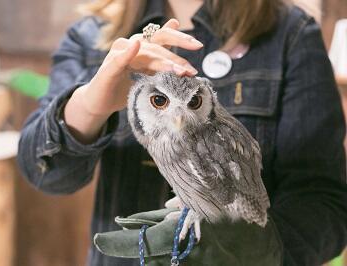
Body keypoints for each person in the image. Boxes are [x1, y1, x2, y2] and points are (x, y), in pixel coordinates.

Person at [17, 0, 347, 265]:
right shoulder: (92, 36)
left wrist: (255, 249)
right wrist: (90, 105)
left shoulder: (288, 34)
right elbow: (45, 173)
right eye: (158, 101)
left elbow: (325, 201)